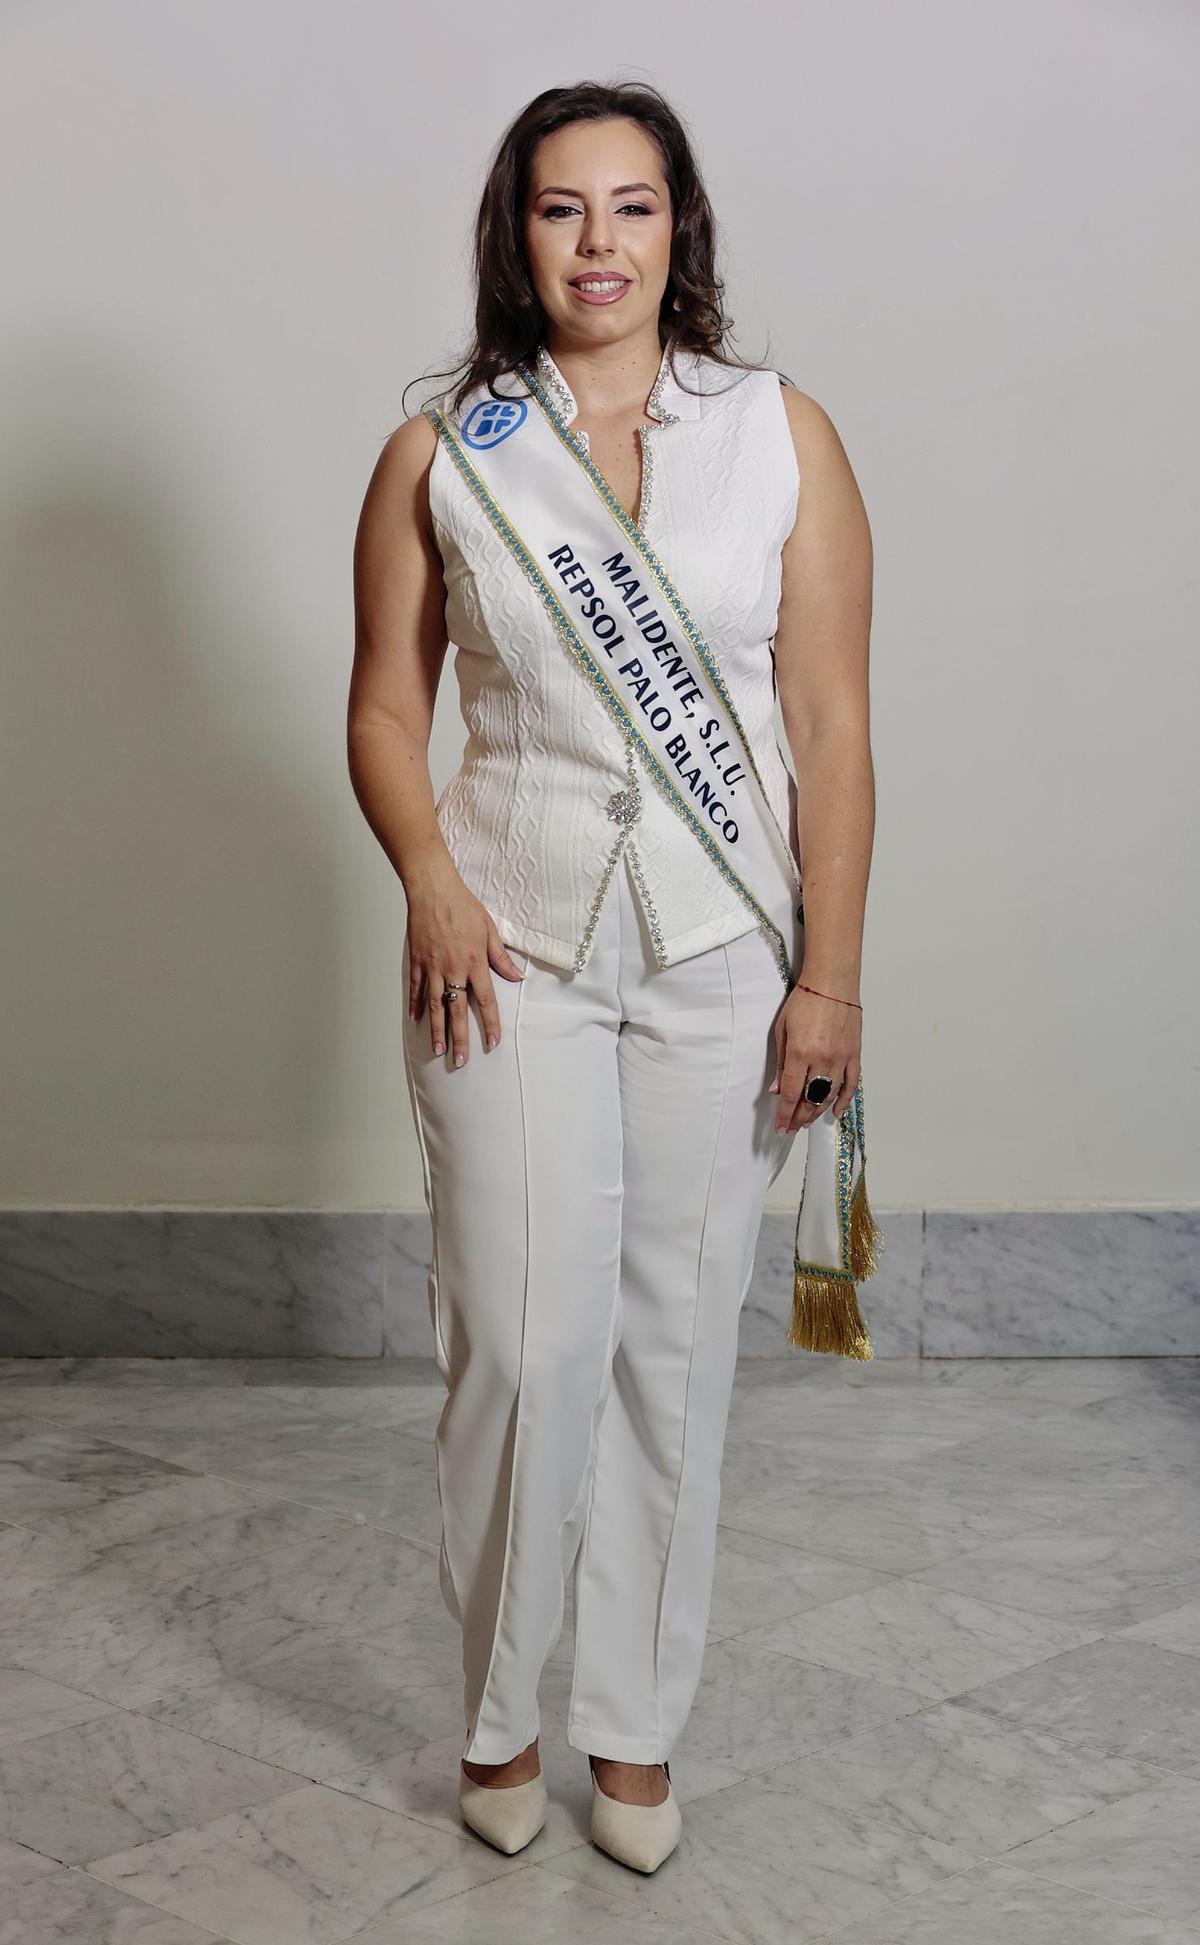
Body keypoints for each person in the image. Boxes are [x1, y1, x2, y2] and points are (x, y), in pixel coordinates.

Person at [347, 79, 875, 1874]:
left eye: (632, 208)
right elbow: (381, 709)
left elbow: (830, 721)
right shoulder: (447, 452)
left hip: (728, 958)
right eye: (562, 211)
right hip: (507, 945)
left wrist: (837, 982)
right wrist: (425, 875)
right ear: (515, 234)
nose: (598, 244)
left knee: (670, 1352)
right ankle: (501, 1708)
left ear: (681, 229)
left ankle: (633, 1730)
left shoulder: (782, 434)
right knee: (522, 1336)